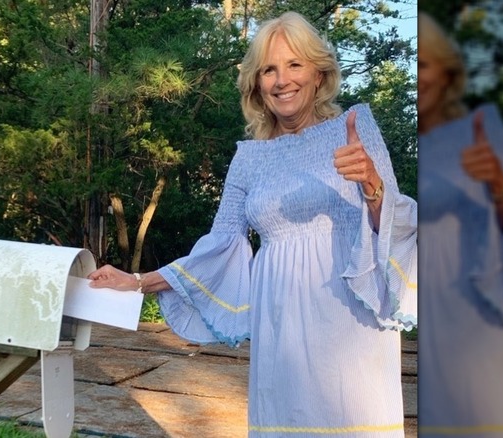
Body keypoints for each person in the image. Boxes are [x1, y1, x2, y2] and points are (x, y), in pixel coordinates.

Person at [89, 11, 417, 437]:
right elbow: (220, 247)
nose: (282, 80)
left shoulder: (355, 129)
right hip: (280, 327)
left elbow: (395, 229)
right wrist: (136, 281)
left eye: (295, 64)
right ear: (257, 84)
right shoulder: (248, 158)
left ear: (319, 73)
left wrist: (372, 184)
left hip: (349, 324)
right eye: (269, 69)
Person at [417, 12, 503, 437]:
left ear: (447, 71)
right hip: (426, 310)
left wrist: (502, 188)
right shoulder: (390, 143)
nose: (417, 78)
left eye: (424, 65)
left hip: (476, 311)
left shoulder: (479, 128)